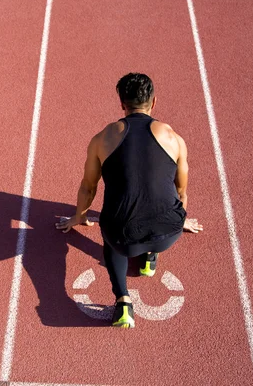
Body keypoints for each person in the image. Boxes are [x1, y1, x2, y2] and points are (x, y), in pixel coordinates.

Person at [56, 73, 203, 328]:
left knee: (111, 234)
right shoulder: (173, 137)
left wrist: (79, 217)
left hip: (122, 237)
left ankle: (123, 300)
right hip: (169, 232)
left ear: (122, 103)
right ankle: (150, 257)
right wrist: (181, 220)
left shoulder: (103, 138)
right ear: (154, 102)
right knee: (153, 214)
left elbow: (88, 187)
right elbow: (182, 191)